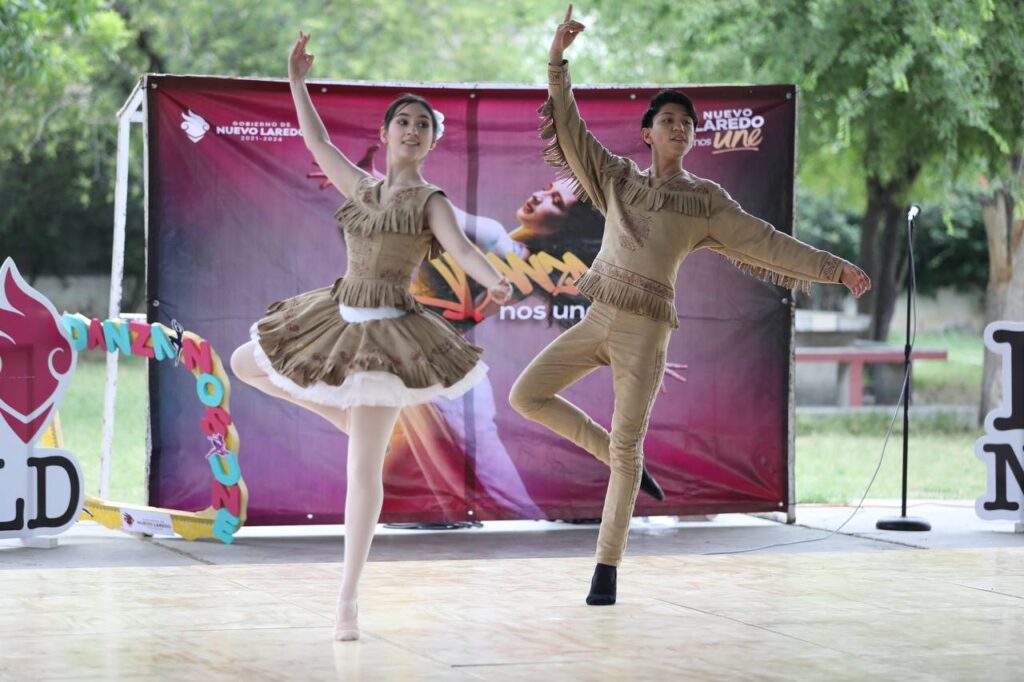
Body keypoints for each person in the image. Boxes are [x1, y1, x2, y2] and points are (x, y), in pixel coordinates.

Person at [509, 5, 872, 606]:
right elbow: (570, 131)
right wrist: (556, 62)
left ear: (692, 138)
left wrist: (833, 268)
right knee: (527, 395)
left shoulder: (706, 201)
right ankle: (620, 462)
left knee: (627, 448)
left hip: (646, 334)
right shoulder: (618, 179)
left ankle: (606, 569)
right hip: (598, 314)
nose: (680, 128)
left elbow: (766, 241)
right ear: (648, 131)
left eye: (688, 123)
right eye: (669, 119)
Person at [229, 31, 513, 641]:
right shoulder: (362, 187)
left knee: (364, 473)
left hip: (389, 338)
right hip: (338, 313)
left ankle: (347, 601)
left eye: (422, 125)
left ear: (431, 141)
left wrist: (497, 278)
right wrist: (298, 83)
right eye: (402, 122)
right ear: (385, 135)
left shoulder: (430, 200)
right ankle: (344, 414)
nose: (412, 130)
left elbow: (462, 247)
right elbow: (316, 140)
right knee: (243, 361)